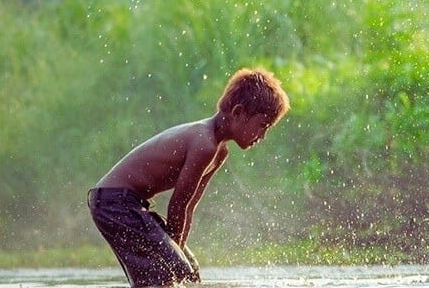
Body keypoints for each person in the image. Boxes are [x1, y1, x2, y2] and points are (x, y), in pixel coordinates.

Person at [89, 68, 289, 287]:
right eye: (262, 126)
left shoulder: (218, 153)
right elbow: (178, 204)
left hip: (125, 204)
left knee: (188, 270)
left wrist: (177, 249)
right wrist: (174, 254)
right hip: (114, 203)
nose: (262, 136)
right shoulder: (203, 142)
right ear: (238, 112)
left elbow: (190, 206)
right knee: (171, 272)